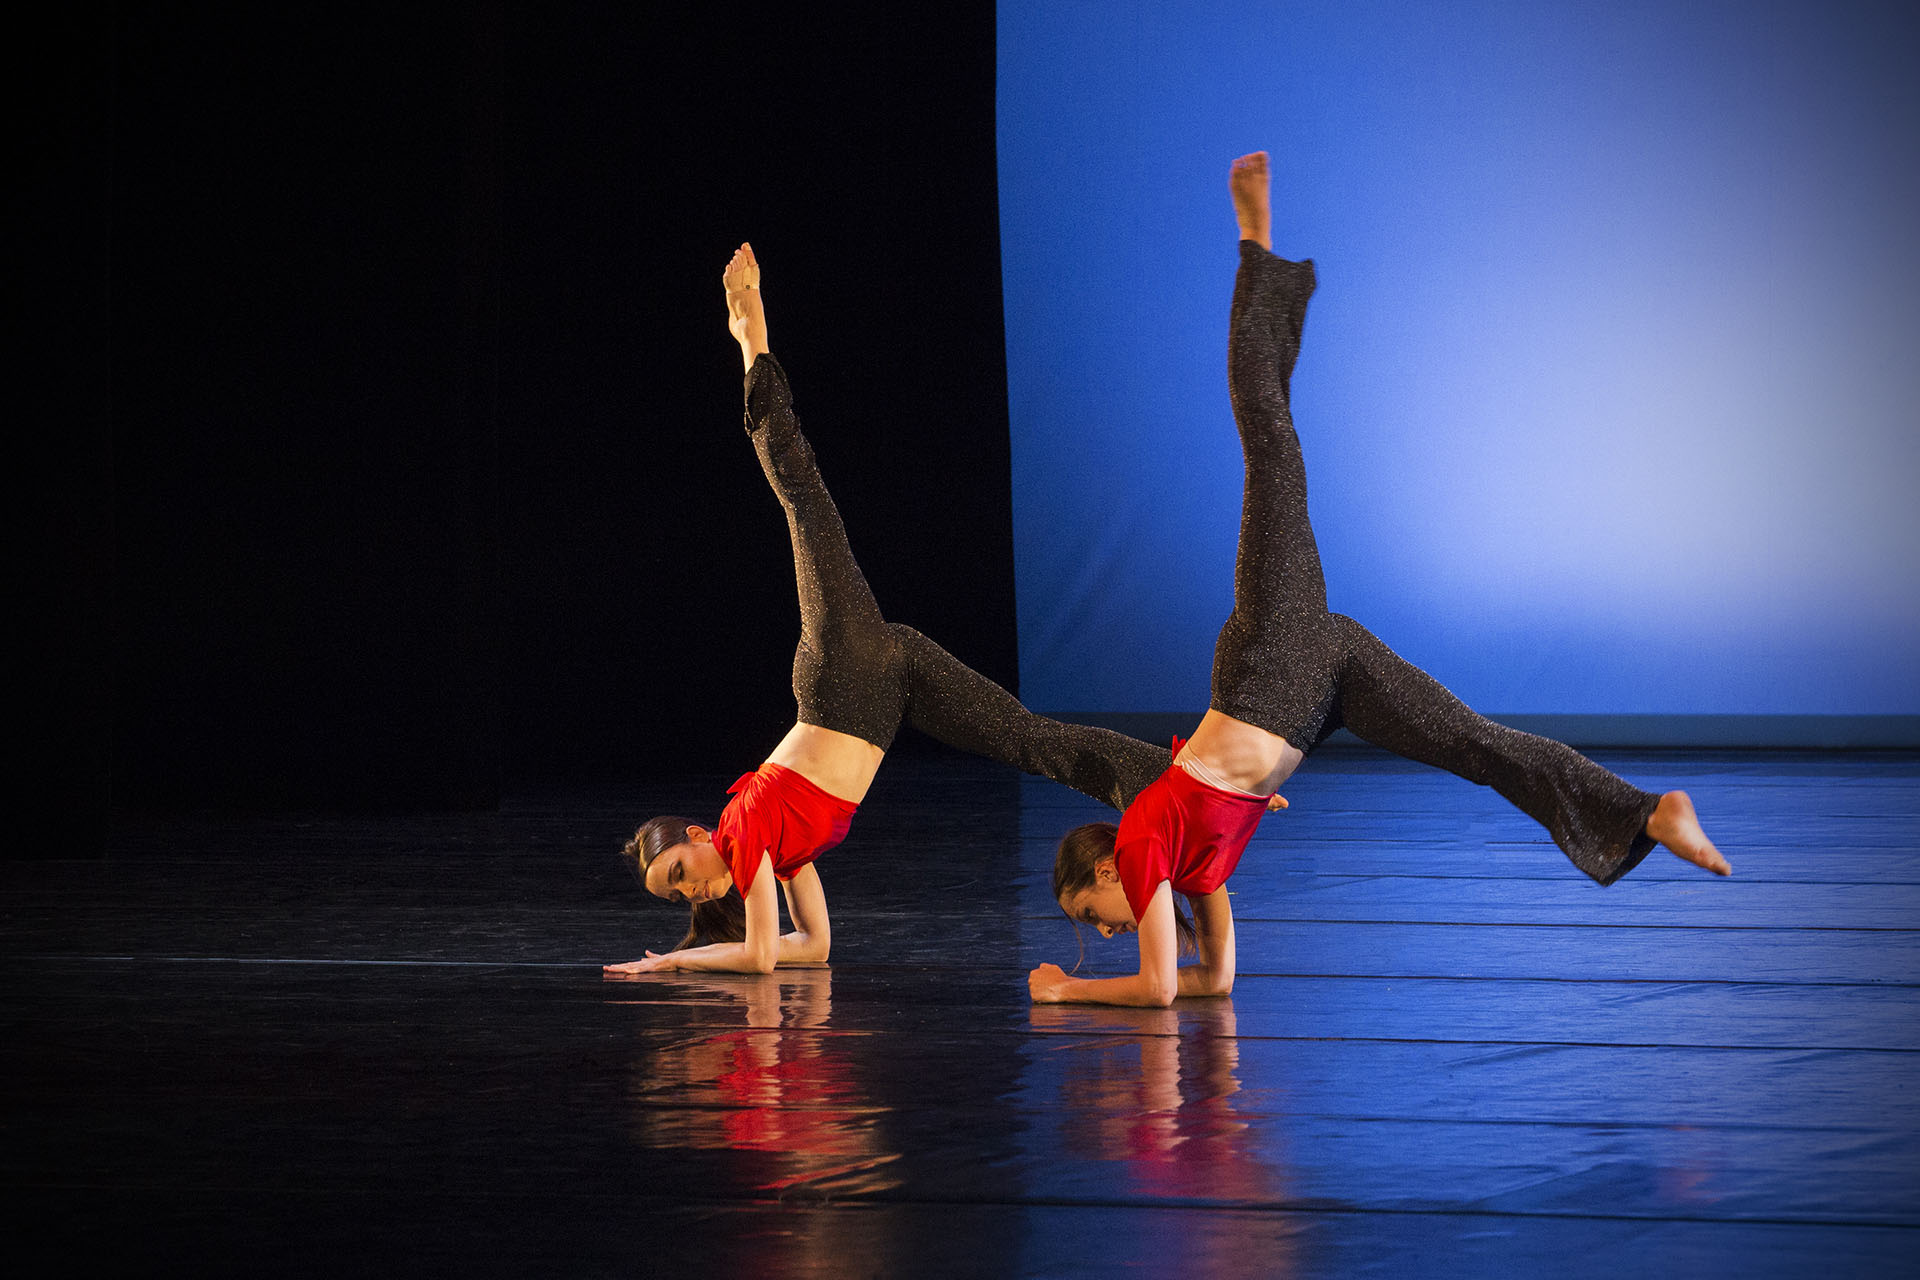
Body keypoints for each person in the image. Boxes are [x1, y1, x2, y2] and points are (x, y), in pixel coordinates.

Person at [1030, 152, 1730, 1008]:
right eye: (1094, 930)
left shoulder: (1143, 848)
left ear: (1105, 867)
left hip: (1274, 658)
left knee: (1269, 441)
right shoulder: (1191, 867)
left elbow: (1158, 991)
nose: (1100, 931)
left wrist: (1065, 992)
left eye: (1089, 912)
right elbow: (1209, 984)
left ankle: (1254, 241)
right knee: (1472, 741)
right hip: (1320, 690)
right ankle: (1647, 813)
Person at [605, 244, 1181, 976]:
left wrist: (671, 965)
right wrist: (711, 949)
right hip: (891, 689)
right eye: (679, 896)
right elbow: (811, 949)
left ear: (694, 834)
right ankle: (1183, 780)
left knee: (806, 505)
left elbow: (759, 958)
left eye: (680, 871)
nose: (694, 890)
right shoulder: (776, 857)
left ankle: (752, 343)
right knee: (1027, 738)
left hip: (842, 680)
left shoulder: (745, 830)